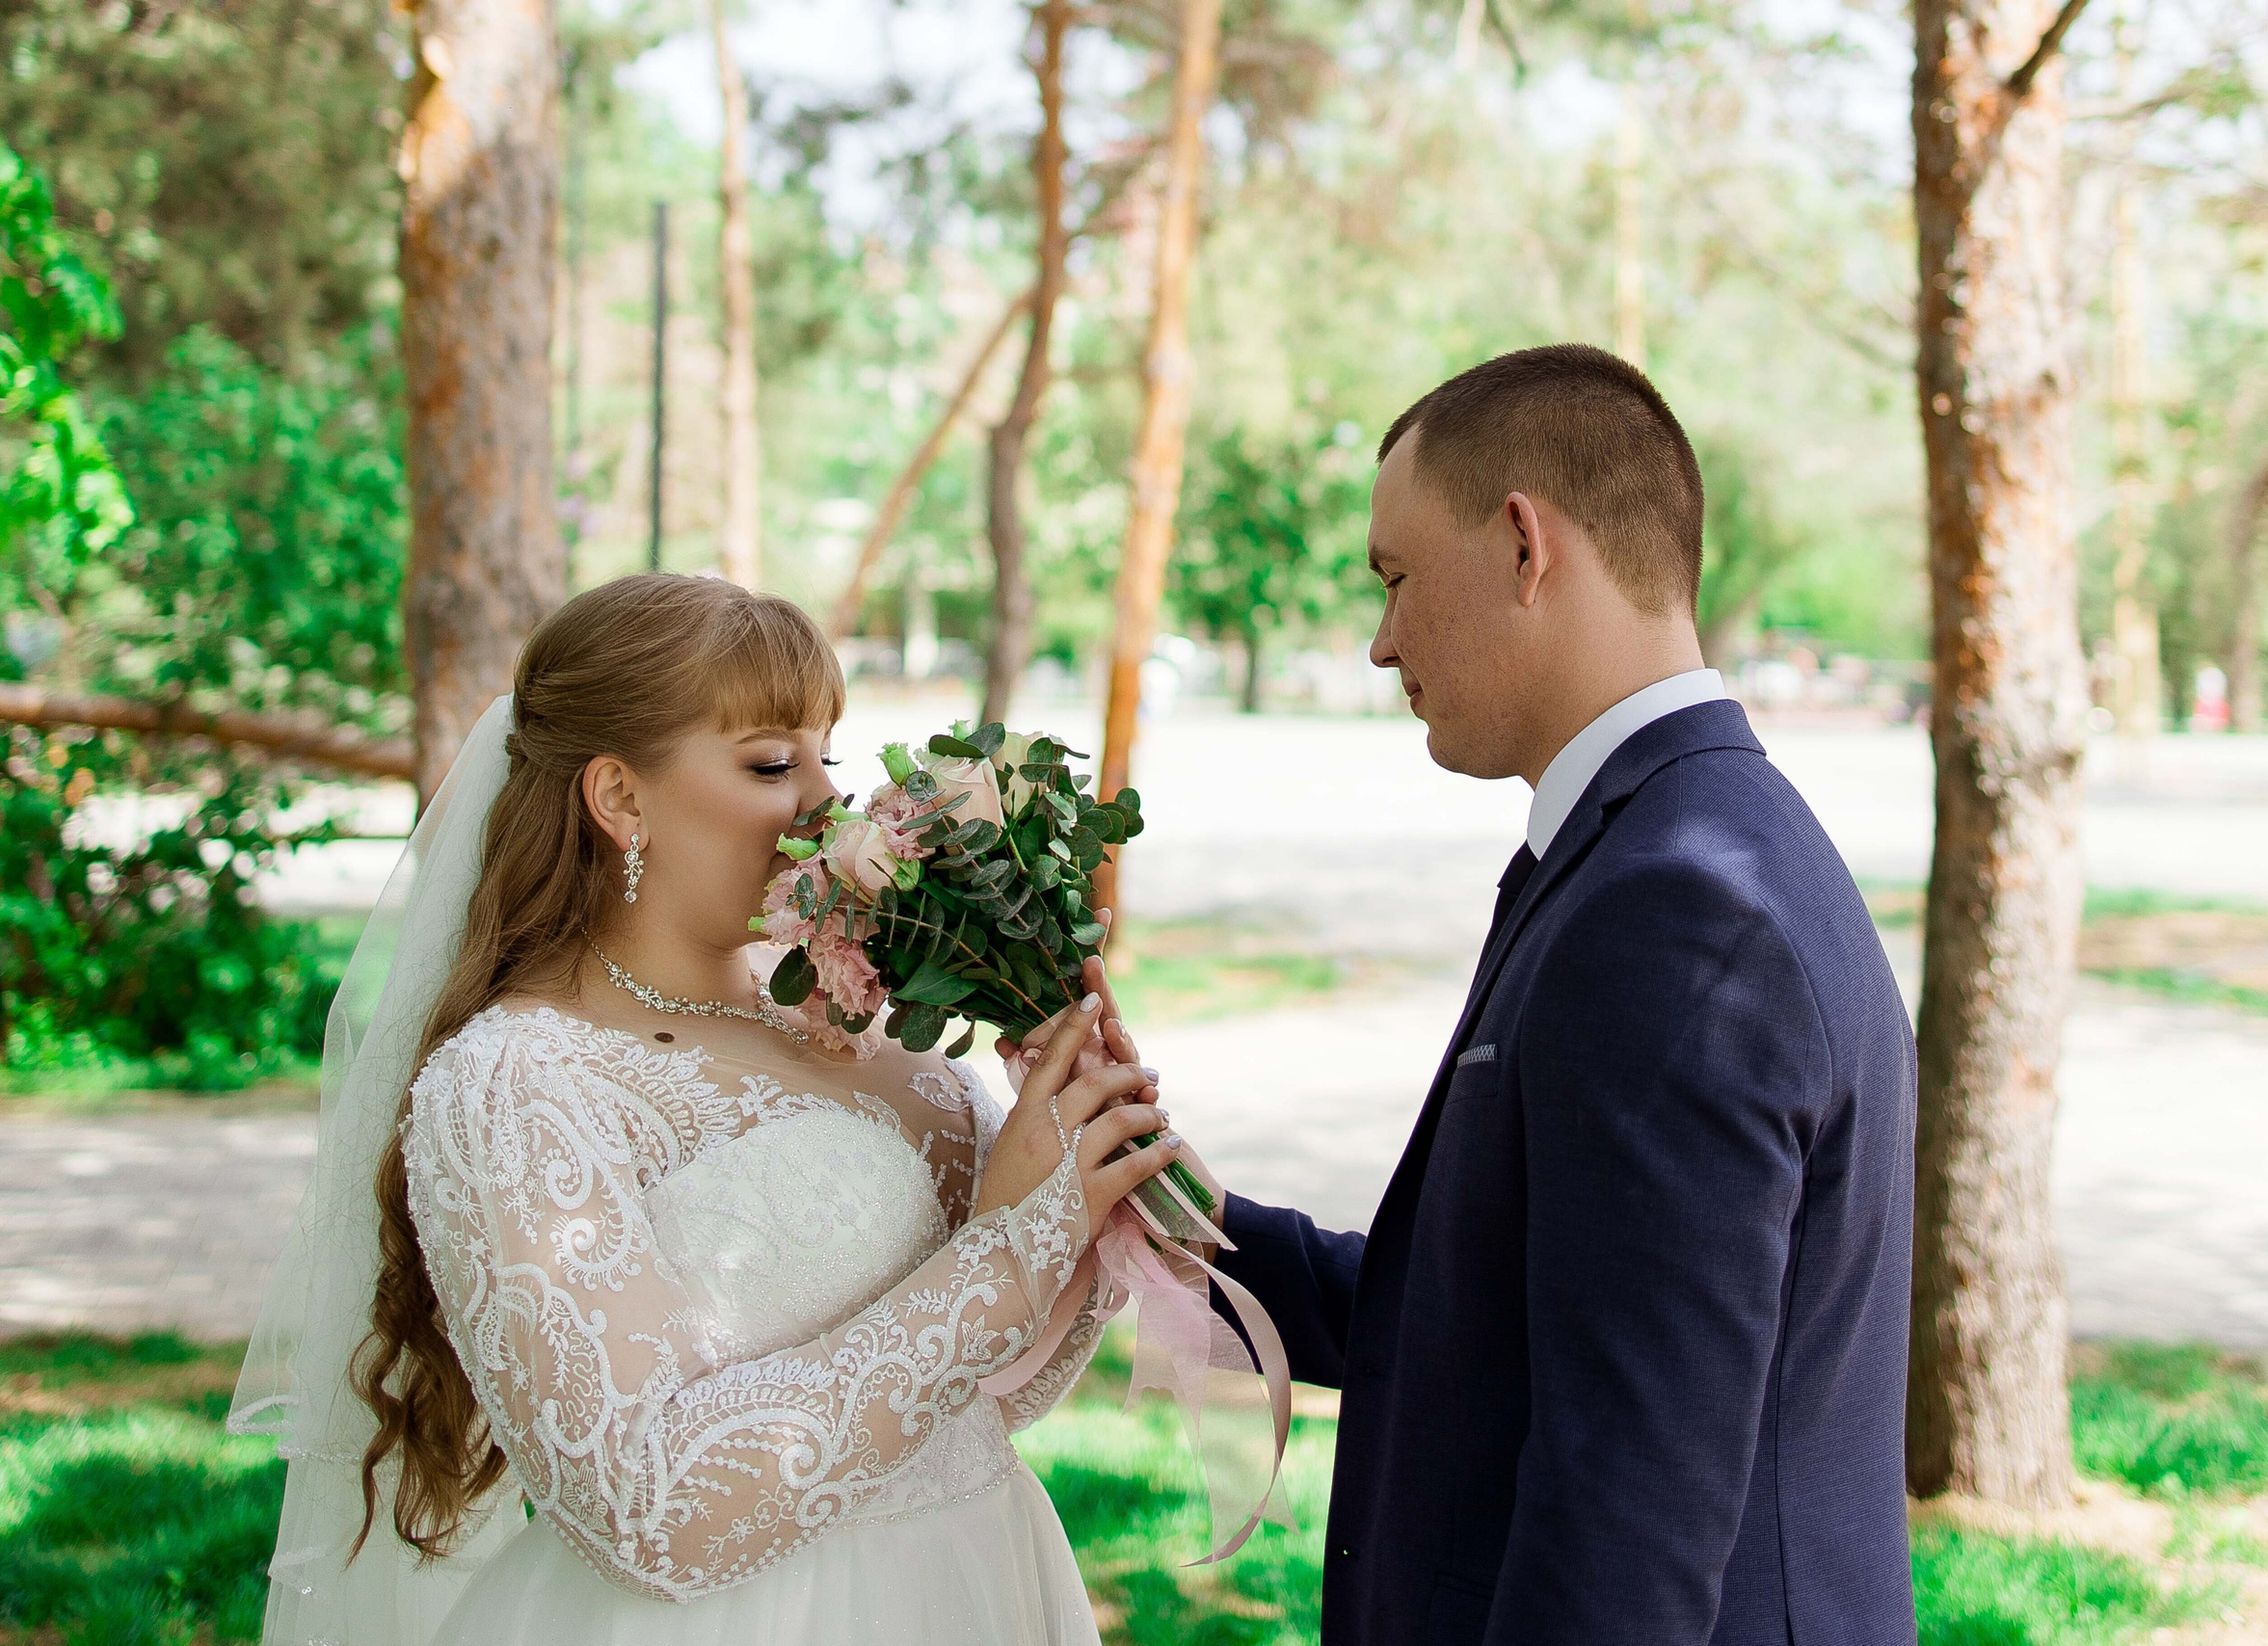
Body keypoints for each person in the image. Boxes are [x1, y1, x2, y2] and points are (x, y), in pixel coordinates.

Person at [228, 573, 1191, 1646]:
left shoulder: (864, 1020)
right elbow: (648, 1511)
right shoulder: (517, 1083)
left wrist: (1091, 1199)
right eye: (771, 762)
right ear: (620, 798)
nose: (828, 799)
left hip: (978, 1585)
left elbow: (971, 1401)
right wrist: (1008, 1257)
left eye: (829, 753)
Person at [1205, 345, 1920, 1645]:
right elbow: (1484, 1318)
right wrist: (1165, 1211)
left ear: (1527, 547)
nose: (1380, 641)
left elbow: (1626, 1518)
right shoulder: (1689, 839)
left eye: (1397, 577)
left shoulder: (1678, 906)